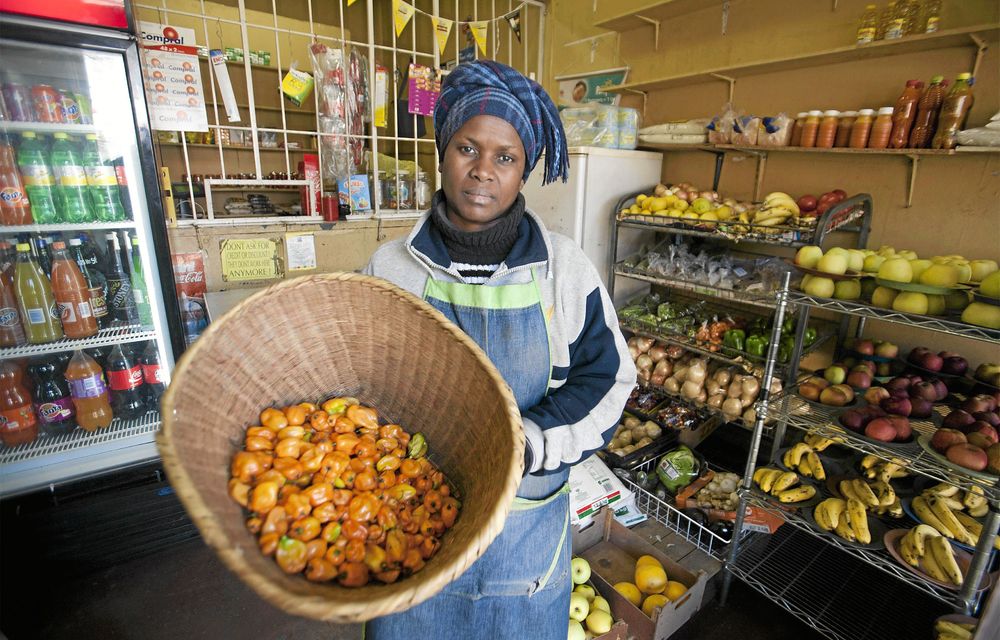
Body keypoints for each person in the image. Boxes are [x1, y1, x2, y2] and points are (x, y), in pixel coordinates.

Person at [363, 60, 635, 639]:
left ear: (524, 171)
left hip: (524, 529)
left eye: (505, 157)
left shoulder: (563, 269)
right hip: (410, 525)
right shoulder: (390, 268)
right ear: (442, 153)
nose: (482, 171)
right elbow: (363, 381)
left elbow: (608, 381)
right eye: (467, 148)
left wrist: (529, 445)